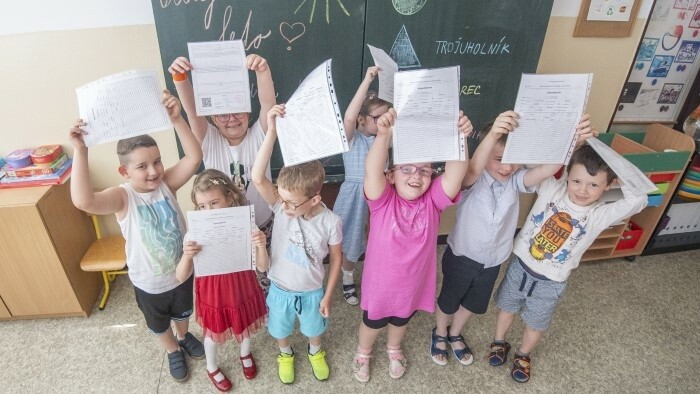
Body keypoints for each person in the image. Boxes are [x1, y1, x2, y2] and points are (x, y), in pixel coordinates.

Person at [431, 112, 597, 366]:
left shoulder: (516, 180)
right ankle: (440, 331)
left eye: (513, 161)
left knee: (473, 303)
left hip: (493, 260)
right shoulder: (471, 179)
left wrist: (572, 143)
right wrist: (494, 133)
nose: (506, 167)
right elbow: (475, 167)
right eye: (498, 159)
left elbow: (547, 169)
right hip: (462, 255)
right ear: (486, 154)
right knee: (449, 298)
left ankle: (455, 333)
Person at [69, 91, 204, 382]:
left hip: (182, 272)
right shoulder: (123, 197)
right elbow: (84, 201)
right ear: (124, 170)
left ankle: (184, 336)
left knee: (183, 313)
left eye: (157, 161)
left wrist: (177, 120)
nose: (154, 170)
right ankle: (172, 350)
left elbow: (194, 157)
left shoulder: (166, 183)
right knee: (159, 323)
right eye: (142, 166)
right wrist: (81, 151)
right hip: (149, 283)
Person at [488, 144, 647, 383]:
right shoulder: (552, 189)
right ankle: (499, 342)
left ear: (608, 185)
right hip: (520, 266)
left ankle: (523, 354)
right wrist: (572, 144)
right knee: (506, 308)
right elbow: (532, 160)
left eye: (594, 184)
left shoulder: (599, 214)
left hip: (551, 282)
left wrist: (608, 158)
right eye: (577, 181)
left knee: (536, 323)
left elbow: (639, 197)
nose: (583, 190)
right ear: (568, 176)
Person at [353, 108, 473, 383]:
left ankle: (394, 348)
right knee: (373, 322)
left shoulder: (433, 202)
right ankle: (363, 352)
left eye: (424, 171)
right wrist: (383, 135)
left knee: (401, 321)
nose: (416, 176)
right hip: (381, 284)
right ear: (392, 175)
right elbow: (372, 169)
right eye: (406, 169)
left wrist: (459, 137)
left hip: (412, 284)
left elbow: (456, 174)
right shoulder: (382, 201)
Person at [169, 54, 276, 293]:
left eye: (238, 112)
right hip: (222, 229)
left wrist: (262, 70)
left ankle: (265, 306)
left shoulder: (260, 134)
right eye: (223, 115)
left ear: (248, 113)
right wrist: (180, 78)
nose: (232, 119)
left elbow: (268, 104)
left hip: (262, 224)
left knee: (265, 273)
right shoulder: (209, 140)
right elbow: (192, 111)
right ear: (214, 118)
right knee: (237, 283)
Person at [251, 104, 343, 385]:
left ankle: (315, 351)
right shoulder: (281, 205)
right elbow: (257, 177)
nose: (285, 206)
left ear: (315, 199)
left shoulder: (331, 222)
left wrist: (327, 296)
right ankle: (286, 354)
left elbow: (337, 259)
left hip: (312, 290)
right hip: (280, 287)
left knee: (314, 328)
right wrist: (272, 133)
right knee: (280, 328)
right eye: (282, 197)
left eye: (292, 203)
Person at [175, 169, 269, 392]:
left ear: (229, 197)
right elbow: (180, 276)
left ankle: (245, 353)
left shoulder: (247, 225)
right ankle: (211, 366)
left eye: (214, 203)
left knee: (245, 323)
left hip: (242, 285)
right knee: (213, 333)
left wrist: (261, 246)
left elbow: (263, 267)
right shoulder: (194, 233)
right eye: (202, 206)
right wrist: (187, 255)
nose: (208, 211)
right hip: (213, 291)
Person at [333, 66, 390, 305]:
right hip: (355, 195)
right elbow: (347, 117)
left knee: (376, 240)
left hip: (380, 196)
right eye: (378, 118)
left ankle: (370, 277)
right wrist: (367, 80)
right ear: (362, 120)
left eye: (387, 116)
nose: (384, 121)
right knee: (349, 240)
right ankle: (347, 277)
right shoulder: (352, 138)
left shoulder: (385, 138)